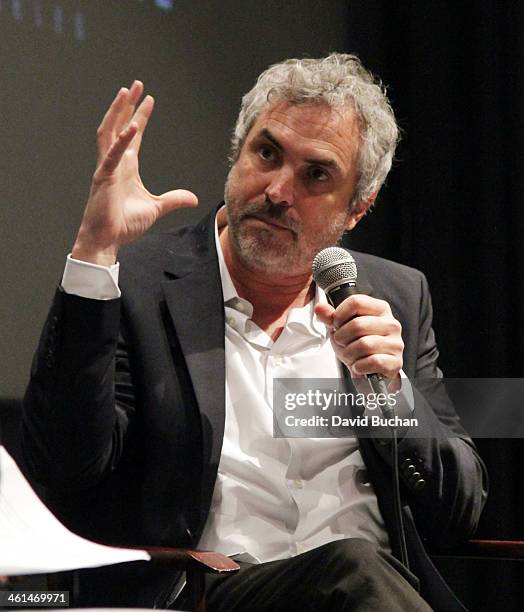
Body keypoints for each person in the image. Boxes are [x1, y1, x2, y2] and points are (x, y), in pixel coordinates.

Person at [22, 54, 487, 611]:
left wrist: (390, 393)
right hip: (210, 594)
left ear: (358, 208)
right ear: (238, 152)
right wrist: (95, 252)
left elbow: (458, 512)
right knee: (353, 565)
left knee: (360, 569)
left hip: (372, 595)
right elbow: (64, 468)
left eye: (317, 174)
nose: (277, 190)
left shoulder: (395, 298)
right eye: (267, 153)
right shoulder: (137, 284)